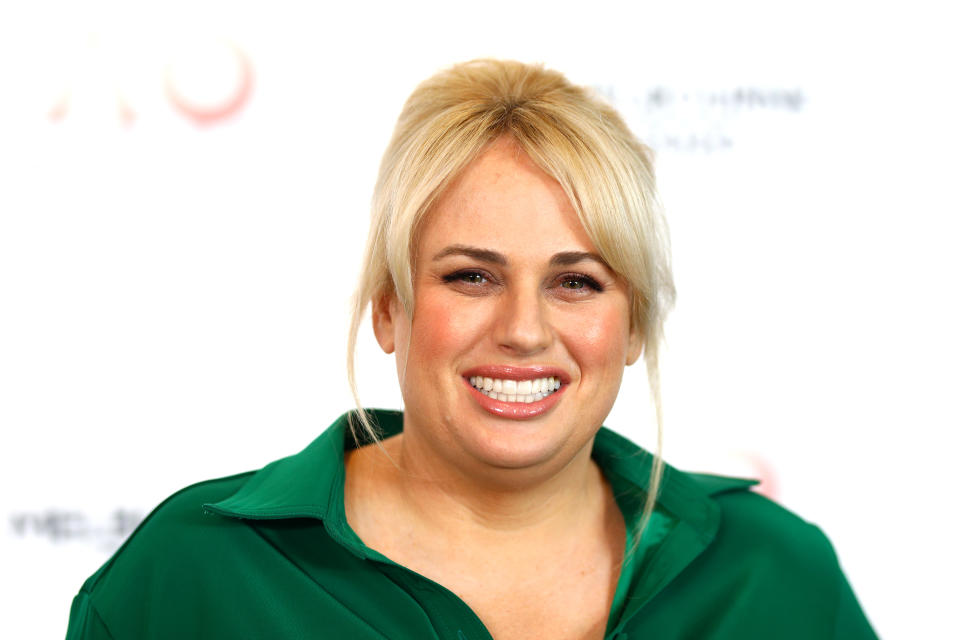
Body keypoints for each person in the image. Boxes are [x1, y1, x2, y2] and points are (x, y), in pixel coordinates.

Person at [66, 60, 878, 640]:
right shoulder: (190, 576)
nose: (524, 330)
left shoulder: (773, 575)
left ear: (632, 327)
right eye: (472, 277)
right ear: (389, 308)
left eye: (578, 283)